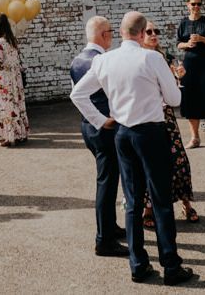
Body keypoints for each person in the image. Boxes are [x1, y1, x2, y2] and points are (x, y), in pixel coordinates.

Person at [71, 11, 193, 286]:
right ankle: (171, 266)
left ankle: (138, 265)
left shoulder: (104, 60)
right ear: (140, 33)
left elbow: (77, 94)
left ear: (122, 32)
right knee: (160, 200)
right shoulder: (151, 57)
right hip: (150, 132)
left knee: (132, 200)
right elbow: (174, 98)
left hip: (122, 134)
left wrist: (101, 121)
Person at [69, 15, 127, 257]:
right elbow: (80, 95)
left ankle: (110, 227)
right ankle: (104, 240)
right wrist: (103, 121)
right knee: (107, 181)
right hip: (104, 129)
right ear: (104, 34)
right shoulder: (101, 61)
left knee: (108, 178)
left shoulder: (76, 60)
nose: (112, 37)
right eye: (111, 32)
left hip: (87, 129)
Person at [142, 21, 198, 227]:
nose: (154, 34)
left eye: (156, 31)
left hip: (166, 115)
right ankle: (147, 208)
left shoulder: (165, 57)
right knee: (149, 163)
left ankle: (186, 203)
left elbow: (172, 92)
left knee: (178, 160)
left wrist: (177, 77)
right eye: (149, 32)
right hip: (146, 116)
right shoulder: (138, 59)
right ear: (140, 35)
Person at [0, 13, 29, 146]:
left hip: (3, 80)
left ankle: (7, 137)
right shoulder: (12, 40)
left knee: (4, 107)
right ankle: (19, 134)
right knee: (16, 105)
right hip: (14, 79)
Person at [176, 0, 205, 148]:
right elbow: (178, 44)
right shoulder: (183, 23)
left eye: (199, 4)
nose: (196, 6)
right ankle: (195, 138)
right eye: (193, 4)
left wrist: (202, 39)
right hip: (189, 64)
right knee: (190, 99)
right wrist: (187, 45)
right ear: (187, 5)